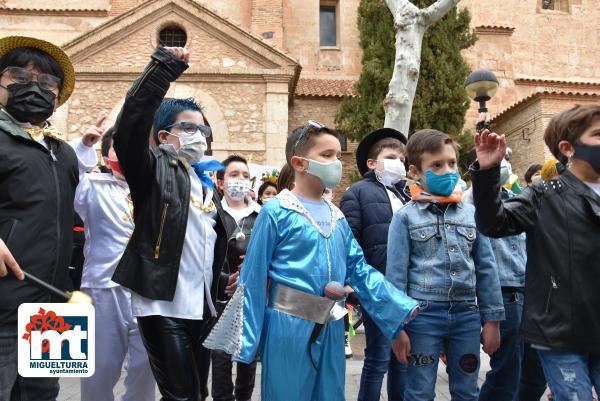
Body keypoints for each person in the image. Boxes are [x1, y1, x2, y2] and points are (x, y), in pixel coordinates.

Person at [205, 121, 419, 401]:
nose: (337, 163)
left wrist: (397, 308)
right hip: (287, 327)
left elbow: (359, 269)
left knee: (330, 395)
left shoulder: (337, 217)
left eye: (338, 156)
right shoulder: (276, 212)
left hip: (331, 325)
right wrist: (246, 339)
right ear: (299, 162)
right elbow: (253, 278)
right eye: (327, 155)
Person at [110, 46, 236, 401]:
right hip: (161, 305)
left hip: (201, 308)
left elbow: (199, 247)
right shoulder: (151, 170)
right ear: (164, 137)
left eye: (203, 128)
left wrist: (224, 279)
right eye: (188, 127)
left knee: (196, 393)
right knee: (182, 395)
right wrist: (164, 68)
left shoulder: (205, 185)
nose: (199, 135)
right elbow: (131, 123)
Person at [470, 104, 600, 401]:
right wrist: (488, 173)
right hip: (560, 331)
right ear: (568, 148)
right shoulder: (544, 195)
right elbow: (494, 223)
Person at [386, 129, 504, 401]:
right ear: (415, 172)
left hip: (466, 316)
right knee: (420, 391)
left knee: (467, 391)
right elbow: (395, 278)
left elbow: (486, 268)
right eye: (436, 165)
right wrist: (396, 328)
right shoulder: (404, 218)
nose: (448, 170)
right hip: (422, 318)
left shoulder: (473, 214)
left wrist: (493, 320)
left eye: (451, 163)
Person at [0, 36, 79, 401]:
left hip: (52, 306)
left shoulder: (63, 153)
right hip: (3, 303)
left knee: (43, 395)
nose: (35, 88)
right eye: (19, 77)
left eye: (47, 83)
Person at [72, 123, 156, 401]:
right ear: (107, 155)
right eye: (119, 147)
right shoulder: (92, 186)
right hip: (103, 289)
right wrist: (84, 148)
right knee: (100, 367)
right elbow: (63, 180)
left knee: (147, 366)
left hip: (146, 292)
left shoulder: (156, 190)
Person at [340, 128, 410, 401]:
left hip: (408, 286)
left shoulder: (410, 194)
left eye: (402, 159)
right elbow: (351, 240)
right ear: (372, 163)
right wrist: (357, 284)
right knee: (378, 357)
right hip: (376, 285)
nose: (399, 163)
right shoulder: (357, 193)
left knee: (403, 358)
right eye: (391, 157)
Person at [212, 154, 260, 401]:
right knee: (220, 362)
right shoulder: (211, 215)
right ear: (220, 182)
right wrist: (222, 281)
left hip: (250, 300)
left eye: (244, 175)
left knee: (247, 361)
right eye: (233, 175)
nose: (240, 180)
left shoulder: (261, 215)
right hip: (219, 300)